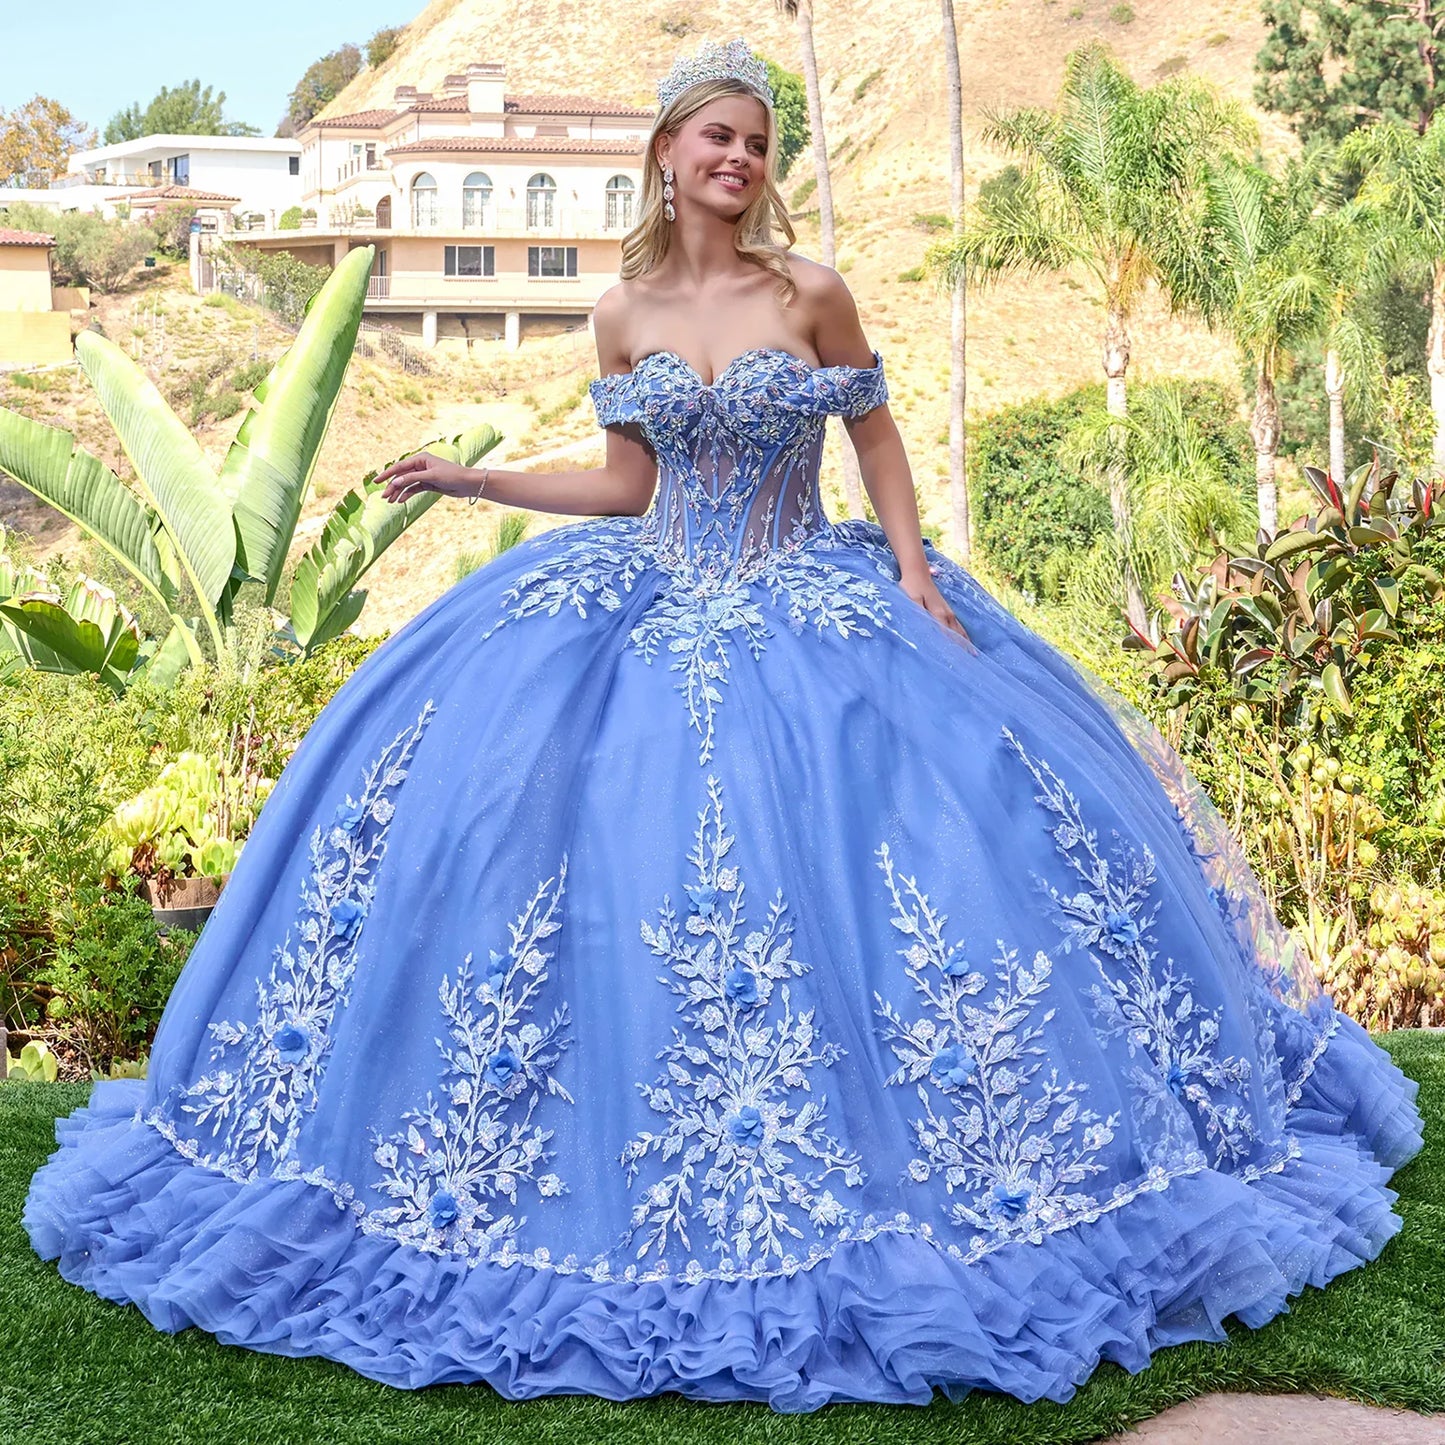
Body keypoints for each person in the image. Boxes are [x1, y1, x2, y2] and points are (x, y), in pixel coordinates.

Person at [24, 36, 1423, 1414]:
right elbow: (630, 485)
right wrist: (475, 477)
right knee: (538, 845)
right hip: (643, 597)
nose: (741, 161)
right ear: (668, 155)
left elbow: (873, 439)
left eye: (758, 143)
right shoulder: (620, 311)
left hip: (813, 600)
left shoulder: (812, 291)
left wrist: (918, 574)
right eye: (719, 137)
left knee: (931, 857)